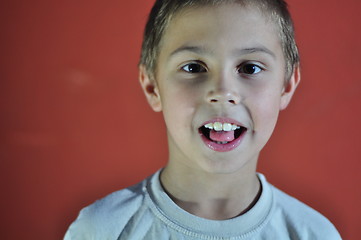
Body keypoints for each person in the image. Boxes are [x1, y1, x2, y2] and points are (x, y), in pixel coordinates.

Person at [64, 0, 342, 239]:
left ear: (286, 86)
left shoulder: (314, 234)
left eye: (250, 67)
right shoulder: (102, 230)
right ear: (152, 87)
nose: (222, 92)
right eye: (194, 67)